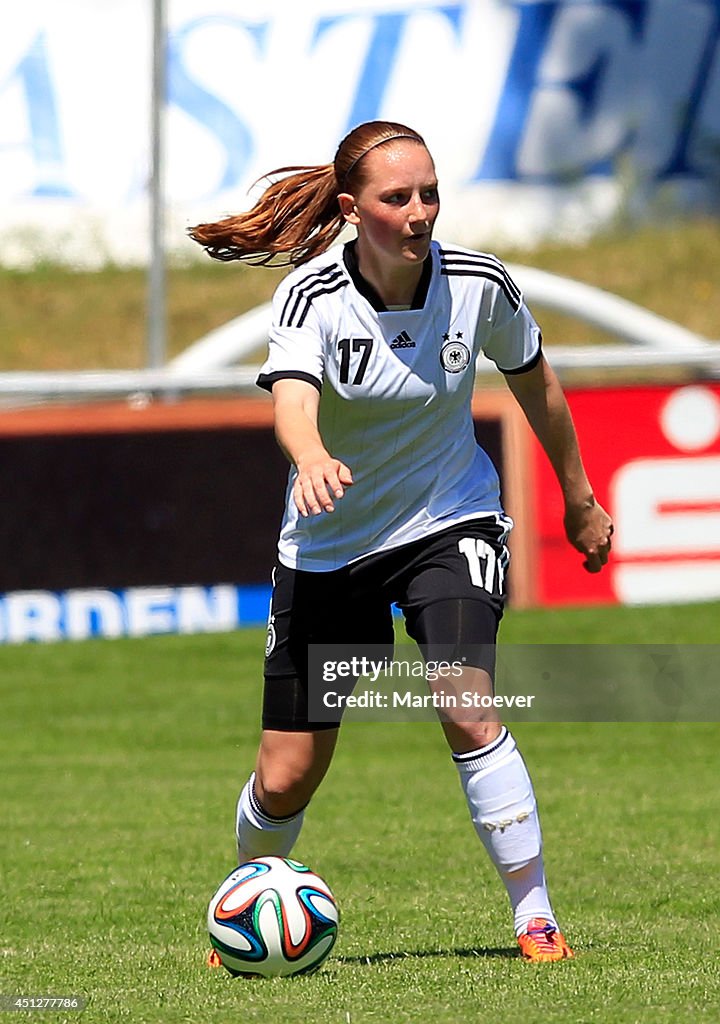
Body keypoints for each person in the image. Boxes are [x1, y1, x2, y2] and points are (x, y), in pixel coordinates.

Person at [190, 120, 613, 963]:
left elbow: (540, 387)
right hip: (331, 544)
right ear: (352, 209)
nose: (420, 213)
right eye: (397, 198)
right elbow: (292, 400)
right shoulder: (312, 297)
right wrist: (309, 457)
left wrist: (580, 498)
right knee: (285, 775)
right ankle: (247, 899)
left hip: (446, 521)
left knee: (465, 699)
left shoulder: (481, 285)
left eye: (430, 194)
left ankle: (535, 916)